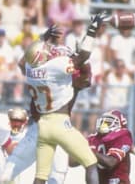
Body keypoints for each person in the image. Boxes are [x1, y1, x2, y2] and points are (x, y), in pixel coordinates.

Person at [24, 12, 110, 184]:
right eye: (46, 50)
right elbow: (83, 56)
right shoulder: (54, 67)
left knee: (40, 176)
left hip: (43, 125)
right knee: (90, 162)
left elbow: (29, 56)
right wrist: (92, 30)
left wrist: (43, 38)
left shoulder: (29, 69)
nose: (49, 50)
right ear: (42, 56)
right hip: (59, 124)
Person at [70, 109, 132, 184]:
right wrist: (78, 149)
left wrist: (90, 151)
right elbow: (71, 163)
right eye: (102, 122)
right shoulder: (93, 138)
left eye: (108, 122)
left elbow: (110, 162)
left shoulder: (122, 136)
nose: (103, 125)